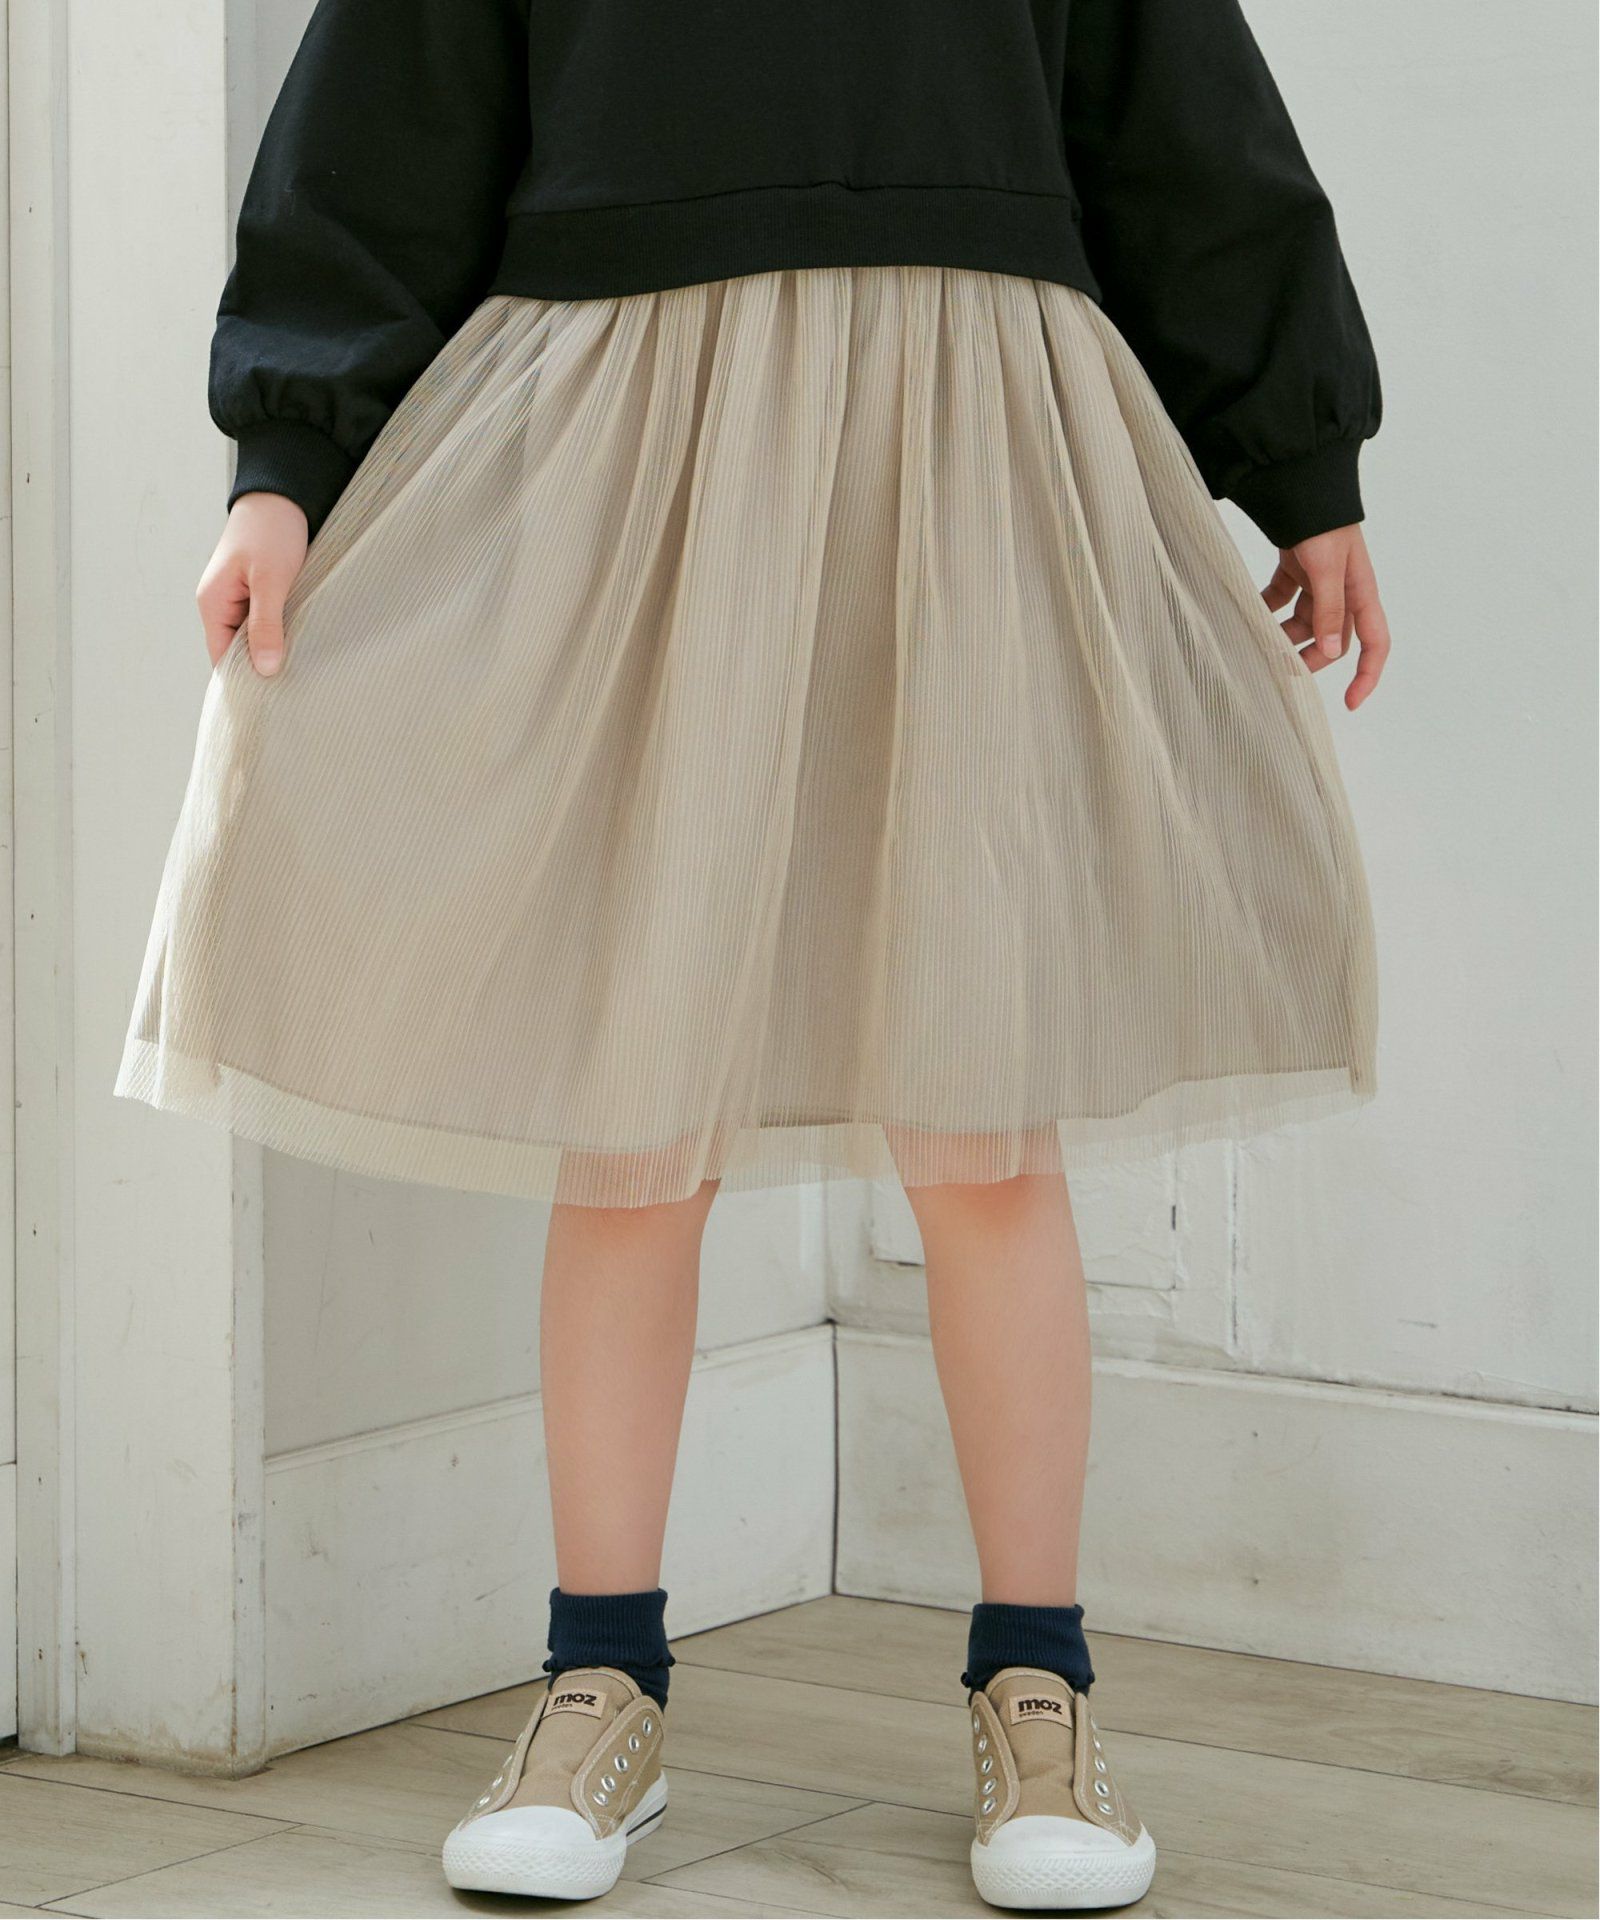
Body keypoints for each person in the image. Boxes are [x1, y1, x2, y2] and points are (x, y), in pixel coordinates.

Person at [116, 0, 1388, 1906]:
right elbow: (388, 112)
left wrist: (1305, 468)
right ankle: (599, 1684)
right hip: (638, 460)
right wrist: (284, 465)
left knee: (980, 1119)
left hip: (973, 449)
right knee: (638, 1120)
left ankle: (1039, 1692)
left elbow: (1180, 120)